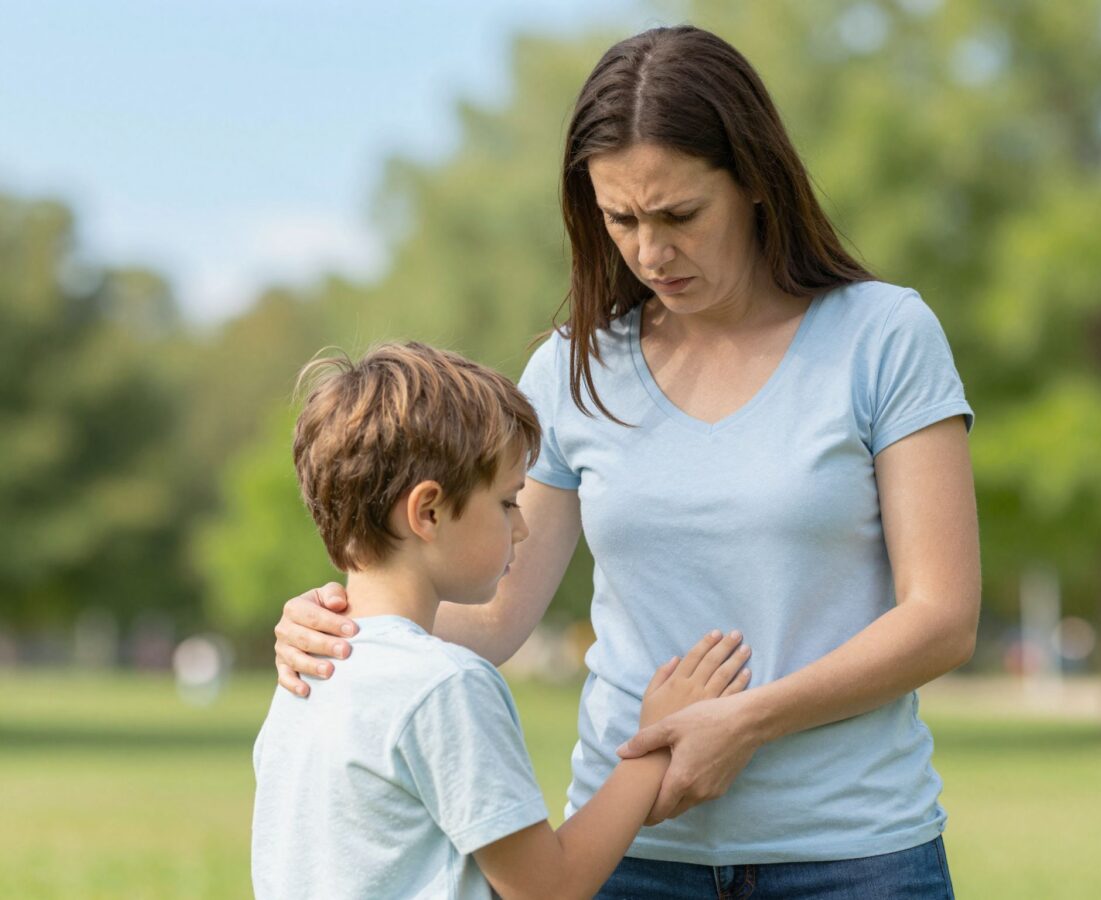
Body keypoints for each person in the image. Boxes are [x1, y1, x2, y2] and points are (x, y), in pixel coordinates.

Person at [272, 26, 980, 898]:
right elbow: (495, 616)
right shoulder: (574, 369)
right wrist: (343, 619)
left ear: (756, 181)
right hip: (634, 860)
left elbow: (942, 617)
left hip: (855, 853)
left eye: (680, 215)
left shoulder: (883, 337)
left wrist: (743, 723)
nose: (649, 252)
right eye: (620, 219)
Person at [252, 341, 752, 899]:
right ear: (429, 511)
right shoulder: (446, 686)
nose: (522, 528)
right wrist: (659, 741)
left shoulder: (307, 678)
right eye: (508, 502)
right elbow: (549, 888)